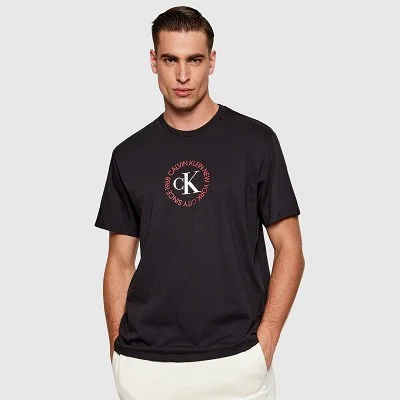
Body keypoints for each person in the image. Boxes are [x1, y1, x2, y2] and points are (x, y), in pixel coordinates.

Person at [94, 5, 305, 400]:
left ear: (212, 61)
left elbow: (290, 248)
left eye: (194, 59)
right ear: (153, 62)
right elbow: (119, 262)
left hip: (237, 362)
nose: (183, 75)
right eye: (170, 60)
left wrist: (265, 343)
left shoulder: (256, 142)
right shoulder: (129, 155)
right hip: (145, 368)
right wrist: (118, 354)